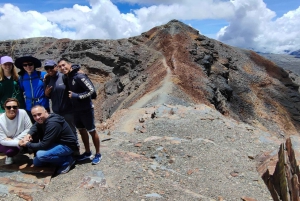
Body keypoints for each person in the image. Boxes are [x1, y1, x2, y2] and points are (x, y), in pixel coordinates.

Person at [58, 58, 102, 165]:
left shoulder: (79, 76)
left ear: (69, 64)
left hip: (86, 109)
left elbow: (91, 90)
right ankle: (87, 152)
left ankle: (98, 154)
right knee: (81, 130)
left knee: (91, 130)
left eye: (64, 65)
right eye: (60, 66)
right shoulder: (67, 77)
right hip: (76, 110)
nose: (63, 68)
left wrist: (76, 96)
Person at [18, 105, 78, 174]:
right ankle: (58, 159)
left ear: (45, 112)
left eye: (39, 114)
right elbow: (35, 125)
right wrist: (29, 134)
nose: (37, 117)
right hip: (55, 143)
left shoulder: (53, 123)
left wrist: (27, 144)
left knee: (41, 155)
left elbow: (44, 145)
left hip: (67, 145)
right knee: (36, 162)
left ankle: (67, 160)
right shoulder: (44, 118)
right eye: (34, 116)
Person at [14, 56, 50, 123]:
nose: (28, 66)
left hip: (43, 105)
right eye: (25, 65)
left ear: (34, 65)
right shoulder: (21, 78)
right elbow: (20, 91)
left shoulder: (42, 75)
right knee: (33, 126)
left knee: (46, 125)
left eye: (30, 64)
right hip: (29, 107)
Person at [0, 98, 32, 164]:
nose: (12, 109)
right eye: (8, 107)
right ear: (5, 108)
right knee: (11, 151)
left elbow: (29, 128)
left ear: (18, 107)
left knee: (33, 134)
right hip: (3, 142)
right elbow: (2, 140)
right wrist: (18, 143)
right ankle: (9, 156)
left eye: (14, 107)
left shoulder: (22, 113)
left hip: (16, 139)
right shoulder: (1, 120)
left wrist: (15, 140)